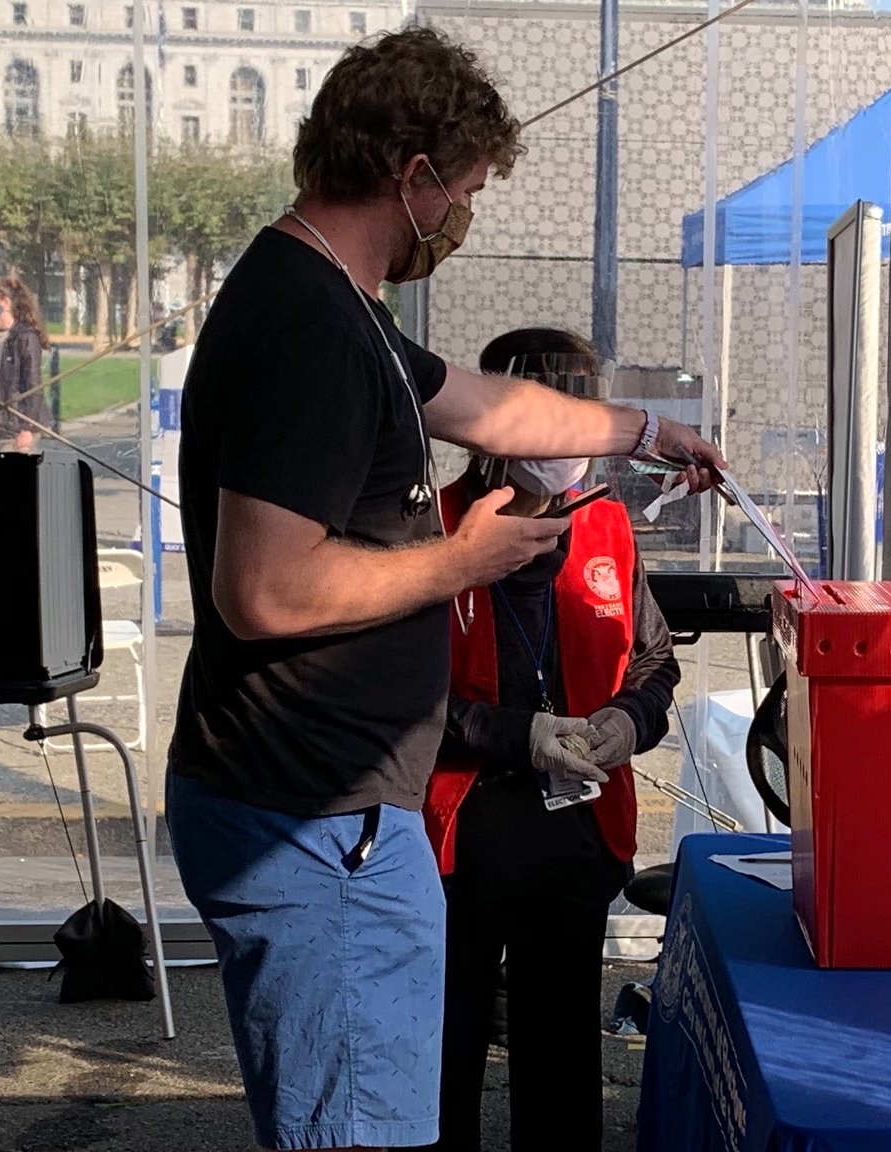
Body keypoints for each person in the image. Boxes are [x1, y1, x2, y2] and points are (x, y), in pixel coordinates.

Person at [164, 26, 722, 1152]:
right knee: (357, 1127)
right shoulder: (310, 328)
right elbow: (261, 590)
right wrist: (461, 561)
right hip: (315, 822)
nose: (462, 217)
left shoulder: (334, 304)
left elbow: (481, 403)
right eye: (462, 190)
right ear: (410, 176)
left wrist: (639, 430)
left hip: (331, 813)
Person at [425, 327, 679, 1152]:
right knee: (440, 1054)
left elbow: (652, 659)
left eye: (577, 412)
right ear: (491, 426)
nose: (560, 441)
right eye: (541, 415)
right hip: (459, 840)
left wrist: (624, 721)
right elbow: (403, 698)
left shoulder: (604, 525)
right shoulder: (436, 530)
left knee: (563, 1061)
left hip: (577, 835)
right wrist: (517, 735)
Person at [0, 277, 50, 452]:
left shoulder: (25, 337)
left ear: (5, 302)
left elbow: (33, 385)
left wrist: (27, 428)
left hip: (17, 431)